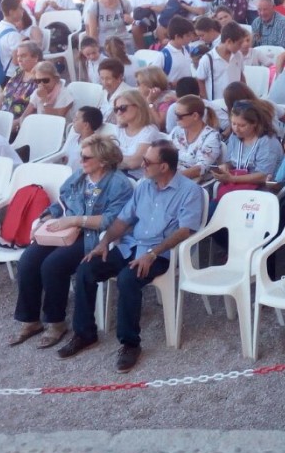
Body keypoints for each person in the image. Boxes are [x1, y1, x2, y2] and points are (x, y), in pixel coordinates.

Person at [60, 141, 203, 372]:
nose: (141, 165)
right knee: (86, 268)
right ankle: (84, 334)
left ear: (164, 167)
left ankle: (130, 344)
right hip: (131, 246)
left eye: (147, 162)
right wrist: (104, 243)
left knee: (128, 279)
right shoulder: (144, 187)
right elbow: (123, 220)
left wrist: (153, 253)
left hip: (160, 253)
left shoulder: (189, 191)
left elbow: (185, 230)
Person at [11, 133, 134, 349]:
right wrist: (47, 216)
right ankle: (30, 320)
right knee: (28, 260)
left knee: (53, 265)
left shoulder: (119, 184)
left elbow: (110, 220)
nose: (81, 161)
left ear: (103, 161)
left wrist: (74, 220)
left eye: (86, 158)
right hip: (65, 230)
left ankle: (55, 323)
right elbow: (62, 201)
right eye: (81, 156)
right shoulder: (79, 176)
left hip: (93, 236)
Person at [168, 95, 222, 182]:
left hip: (194, 183)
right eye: (175, 114)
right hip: (171, 177)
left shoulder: (212, 137)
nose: (176, 119)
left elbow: (200, 169)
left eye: (179, 116)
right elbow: (164, 153)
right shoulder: (177, 131)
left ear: (195, 116)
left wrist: (170, 178)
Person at [111, 89, 164, 178]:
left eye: (123, 108)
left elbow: (134, 163)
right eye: (116, 109)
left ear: (138, 106)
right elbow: (106, 155)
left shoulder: (149, 131)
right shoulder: (119, 129)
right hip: (117, 175)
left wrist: (110, 161)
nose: (119, 112)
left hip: (136, 179)